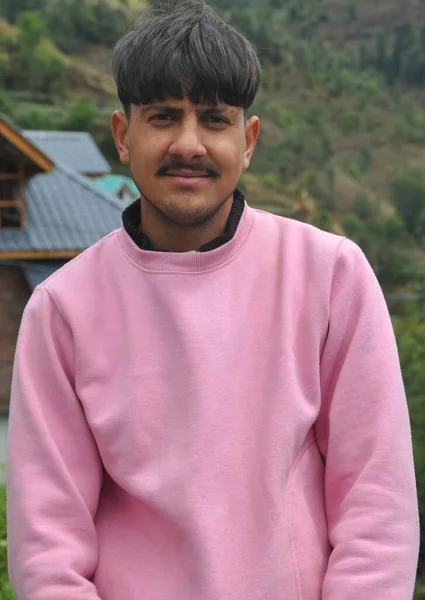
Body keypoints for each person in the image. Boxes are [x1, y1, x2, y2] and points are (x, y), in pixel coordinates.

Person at [7, 1, 419, 598]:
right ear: (124, 135)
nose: (189, 143)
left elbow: (376, 504)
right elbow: (47, 549)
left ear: (248, 140)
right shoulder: (62, 310)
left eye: (216, 119)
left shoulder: (329, 275)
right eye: (164, 117)